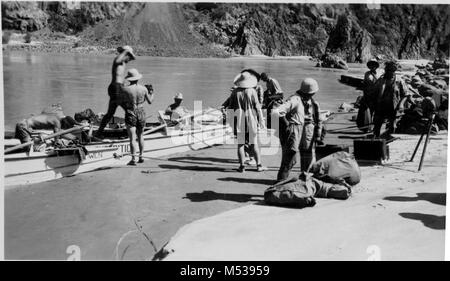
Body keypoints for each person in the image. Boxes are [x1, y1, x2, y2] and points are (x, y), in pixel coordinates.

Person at [272, 78, 324, 181]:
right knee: (291, 158)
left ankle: (304, 181)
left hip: (308, 130)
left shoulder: (313, 102)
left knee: (307, 159)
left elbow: (319, 120)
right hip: (295, 130)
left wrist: (318, 135)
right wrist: (287, 124)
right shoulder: (294, 99)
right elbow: (277, 112)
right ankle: (280, 182)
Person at [223, 72, 267, 172]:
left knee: (240, 144)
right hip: (251, 120)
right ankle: (259, 166)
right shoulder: (252, 91)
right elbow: (258, 107)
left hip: (239, 121)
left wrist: (229, 122)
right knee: (254, 144)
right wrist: (262, 121)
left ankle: (242, 166)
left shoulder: (235, 92)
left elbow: (230, 108)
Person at [97, 45, 136, 137]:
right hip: (117, 87)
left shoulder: (122, 62)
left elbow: (132, 58)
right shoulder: (118, 60)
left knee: (110, 113)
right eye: (128, 56)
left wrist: (128, 54)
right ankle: (130, 132)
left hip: (116, 87)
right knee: (130, 109)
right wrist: (126, 52)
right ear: (125, 54)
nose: (129, 59)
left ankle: (99, 132)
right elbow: (118, 59)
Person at [121, 68, 154, 165]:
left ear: (129, 79)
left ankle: (133, 159)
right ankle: (141, 156)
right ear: (137, 78)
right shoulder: (143, 89)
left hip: (131, 112)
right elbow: (150, 101)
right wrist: (152, 93)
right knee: (140, 135)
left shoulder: (125, 89)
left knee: (132, 138)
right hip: (141, 111)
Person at [372, 61, 409, 137]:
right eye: (387, 70)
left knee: (392, 126)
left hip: (393, 107)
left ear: (394, 71)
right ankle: (376, 138)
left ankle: (389, 138)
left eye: (391, 71)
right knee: (377, 125)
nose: (389, 72)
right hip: (381, 106)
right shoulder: (381, 80)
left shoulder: (399, 81)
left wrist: (401, 104)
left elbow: (406, 94)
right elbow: (374, 93)